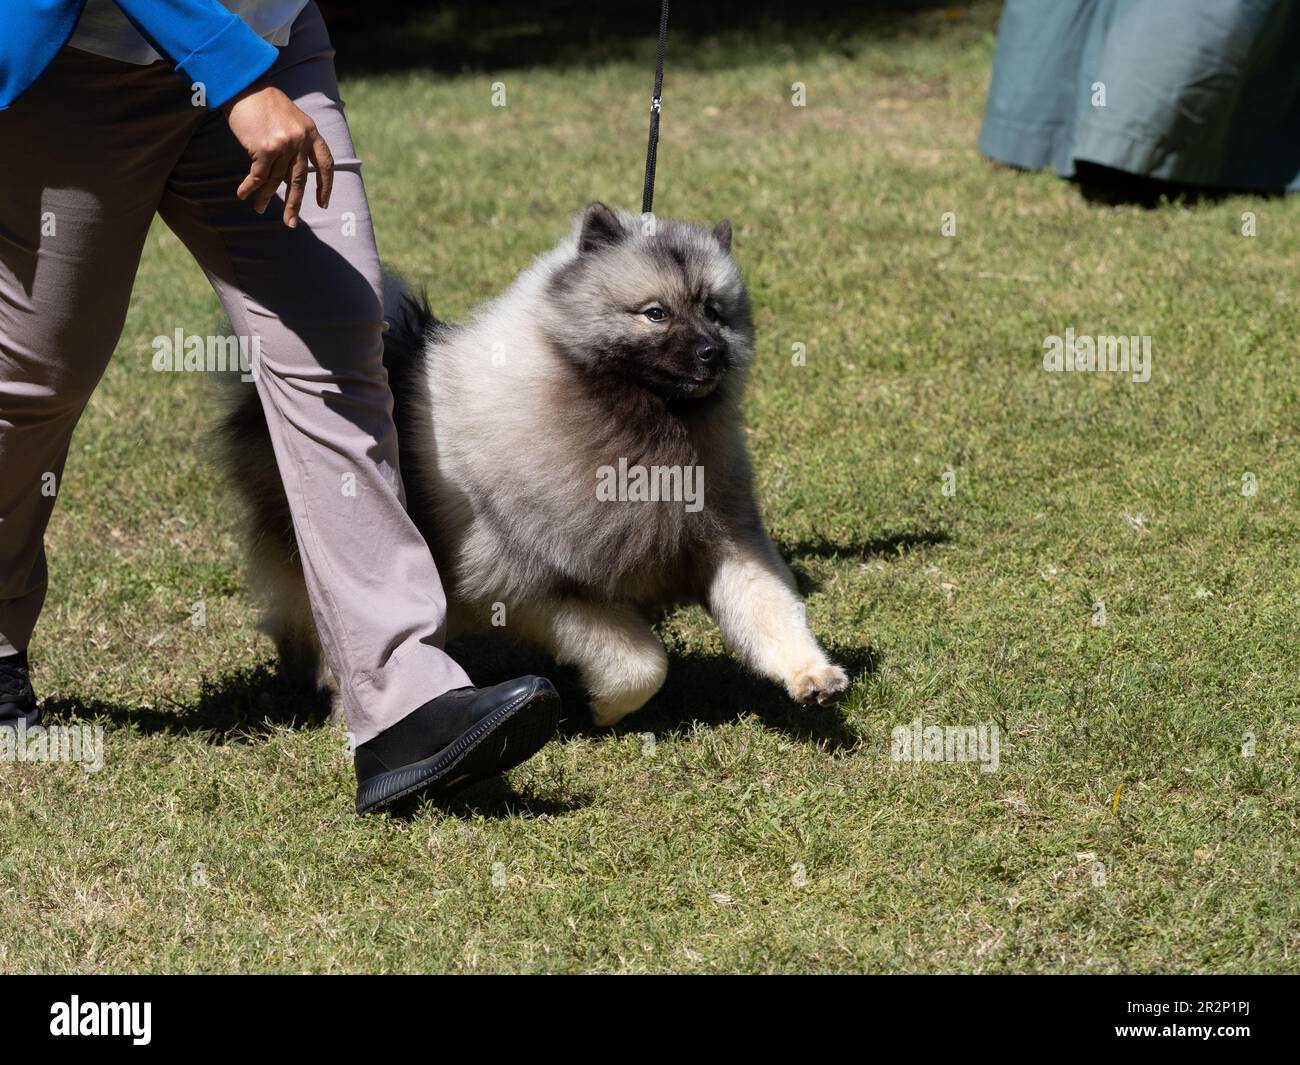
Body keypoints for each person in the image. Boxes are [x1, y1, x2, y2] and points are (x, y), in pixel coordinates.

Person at [0, 0, 561, 814]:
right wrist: (229, 79)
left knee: (337, 347)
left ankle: (402, 699)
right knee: (36, 380)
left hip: (271, 42)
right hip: (89, 65)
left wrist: (247, 66)